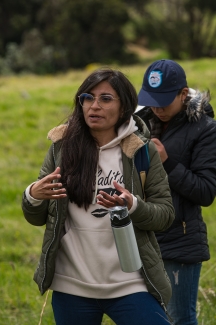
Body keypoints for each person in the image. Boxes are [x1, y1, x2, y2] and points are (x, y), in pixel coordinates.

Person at [22, 68, 175, 325]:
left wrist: (134, 205)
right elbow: (37, 217)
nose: (94, 106)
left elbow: (165, 215)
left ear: (124, 106)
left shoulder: (141, 151)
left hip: (130, 283)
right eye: (88, 97)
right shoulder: (62, 147)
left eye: (105, 98)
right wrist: (33, 195)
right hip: (72, 285)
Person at [136, 59, 216, 325]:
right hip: (141, 240)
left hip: (179, 245)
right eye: (151, 99)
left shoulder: (206, 130)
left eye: (164, 100)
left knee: (178, 320)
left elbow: (206, 192)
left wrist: (166, 162)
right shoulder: (140, 123)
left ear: (184, 94)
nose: (157, 107)